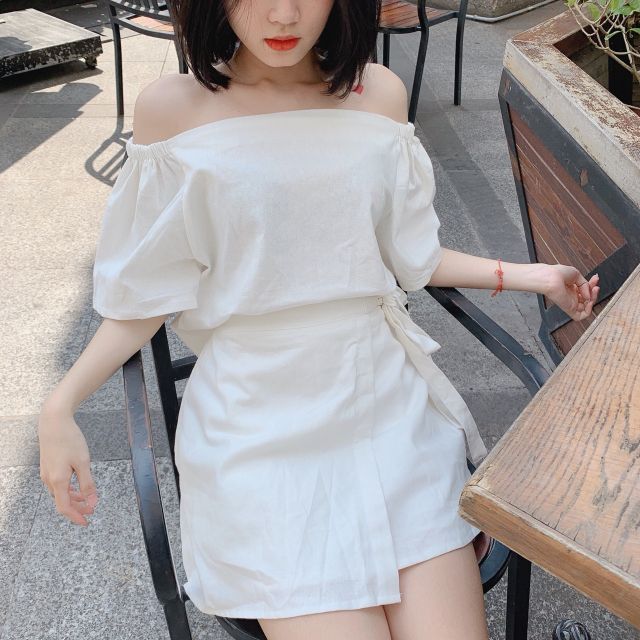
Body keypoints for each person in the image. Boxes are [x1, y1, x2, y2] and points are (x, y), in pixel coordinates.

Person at [37, 1, 601, 638]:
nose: (283, 15)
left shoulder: (377, 94)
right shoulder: (173, 109)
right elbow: (142, 299)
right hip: (258, 430)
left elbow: (412, 255)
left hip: (387, 413)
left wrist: (532, 275)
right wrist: (61, 406)